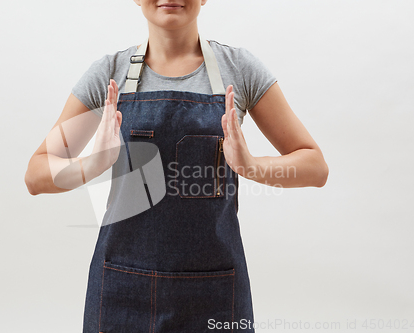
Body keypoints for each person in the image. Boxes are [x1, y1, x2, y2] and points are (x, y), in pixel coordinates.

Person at [24, 0, 329, 332]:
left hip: (215, 294)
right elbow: (36, 176)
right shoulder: (110, 74)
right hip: (120, 290)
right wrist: (93, 163)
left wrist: (251, 165)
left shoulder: (238, 70)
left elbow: (315, 167)